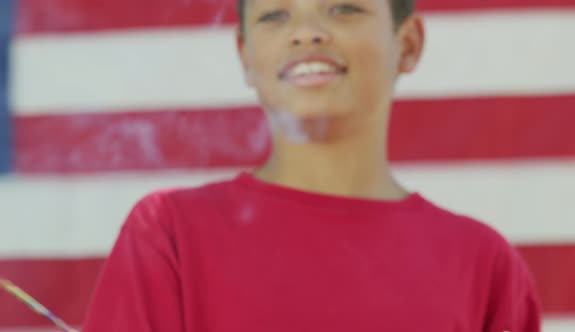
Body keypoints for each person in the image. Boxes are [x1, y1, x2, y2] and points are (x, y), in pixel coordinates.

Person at [82, 0, 541, 331]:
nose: (306, 32)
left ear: (408, 43)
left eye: (344, 8)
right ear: (245, 54)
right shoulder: (169, 232)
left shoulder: (484, 263)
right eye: (274, 14)